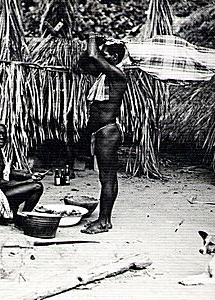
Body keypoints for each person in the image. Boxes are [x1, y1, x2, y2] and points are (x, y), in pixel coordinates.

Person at [78, 33, 127, 234]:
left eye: (106, 54)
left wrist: (92, 38)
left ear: (114, 58)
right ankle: (103, 219)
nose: (101, 56)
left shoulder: (117, 74)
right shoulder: (104, 75)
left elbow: (93, 55)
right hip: (101, 132)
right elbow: (84, 62)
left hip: (108, 132)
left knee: (107, 177)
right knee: (105, 177)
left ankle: (105, 221)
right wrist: (95, 45)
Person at [0, 123, 44, 225]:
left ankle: (12, 215)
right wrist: (29, 181)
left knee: (27, 184)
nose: (1, 137)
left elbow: (6, 172)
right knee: (37, 187)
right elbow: (2, 184)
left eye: (4, 134)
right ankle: (22, 219)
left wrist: (30, 176)